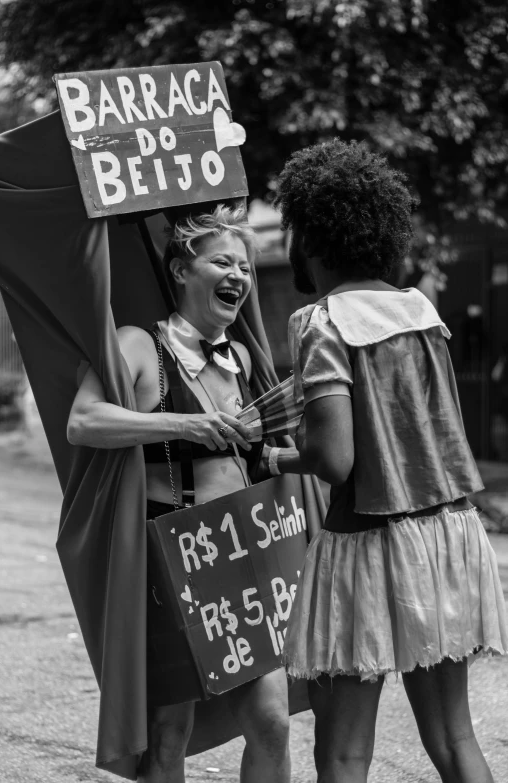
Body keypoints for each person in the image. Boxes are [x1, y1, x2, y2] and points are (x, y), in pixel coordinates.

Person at [276, 139, 508, 783]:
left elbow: (335, 458)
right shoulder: (420, 311)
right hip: (449, 536)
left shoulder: (322, 322)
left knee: (346, 752)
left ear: (314, 240)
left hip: (370, 544)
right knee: (456, 739)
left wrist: (275, 453)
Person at [67, 204, 303, 783]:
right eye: (223, 262)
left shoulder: (244, 357)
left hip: (244, 558)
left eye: (245, 268)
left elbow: (252, 456)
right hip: (172, 564)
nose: (240, 277)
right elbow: (85, 420)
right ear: (179, 270)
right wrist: (183, 425)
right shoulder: (140, 344)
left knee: (273, 721)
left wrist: (309, 455)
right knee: (169, 734)